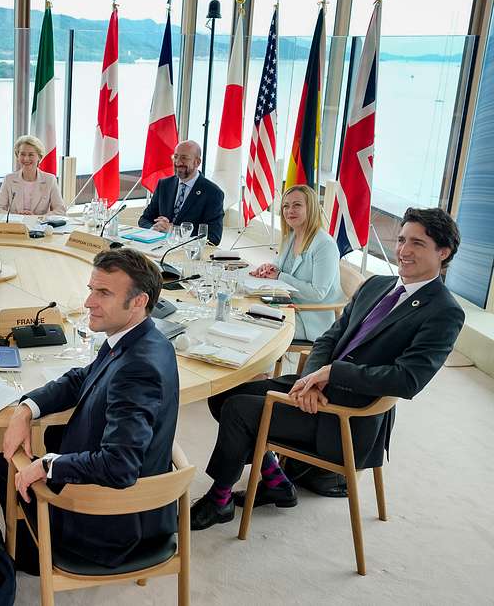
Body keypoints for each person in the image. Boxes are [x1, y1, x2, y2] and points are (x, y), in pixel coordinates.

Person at [190, 207, 465, 531]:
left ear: (442, 252)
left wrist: (332, 375)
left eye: (417, 243)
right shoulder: (378, 285)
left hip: (349, 417)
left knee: (239, 410)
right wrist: (314, 378)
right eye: (402, 239)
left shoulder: (445, 312)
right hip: (320, 389)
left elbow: (408, 380)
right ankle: (275, 479)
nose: (404, 251)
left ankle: (219, 500)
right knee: (224, 395)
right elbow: (330, 336)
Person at [0, 248, 179, 573]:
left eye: (104, 293)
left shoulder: (137, 370)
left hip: (110, 528)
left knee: (5, 464)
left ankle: (34, 557)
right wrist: (26, 408)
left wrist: (48, 467)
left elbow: (120, 467)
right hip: (138, 508)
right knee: (54, 434)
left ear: (139, 301)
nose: (88, 302)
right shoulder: (143, 338)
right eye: (92, 289)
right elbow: (83, 378)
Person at [249, 184, 342, 342]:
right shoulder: (292, 235)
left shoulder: (325, 245)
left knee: (260, 329)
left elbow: (318, 293)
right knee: (245, 314)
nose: (289, 210)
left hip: (310, 318)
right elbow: (279, 268)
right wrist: (269, 269)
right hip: (287, 305)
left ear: (310, 208)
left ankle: (263, 366)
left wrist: (280, 276)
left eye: (297, 205)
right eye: (286, 206)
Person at [138, 140, 224, 245]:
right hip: (158, 247)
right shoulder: (164, 184)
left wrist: (174, 230)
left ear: (197, 162)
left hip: (188, 254)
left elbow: (213, 237)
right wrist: (155, 227)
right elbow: (144, 219)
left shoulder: (213, 193)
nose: (178, 162)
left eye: (184, 158)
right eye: (176, 156)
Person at [0, 135, 67, 216]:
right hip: (16, 226)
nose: (26, 159)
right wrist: (17, 217)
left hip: (39, 226)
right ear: (17, 156)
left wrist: (36, 218)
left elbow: (60, 210)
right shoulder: (9, 179)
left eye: (31, 154)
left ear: (39, 157)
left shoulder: (50, 179)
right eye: (22, 154)